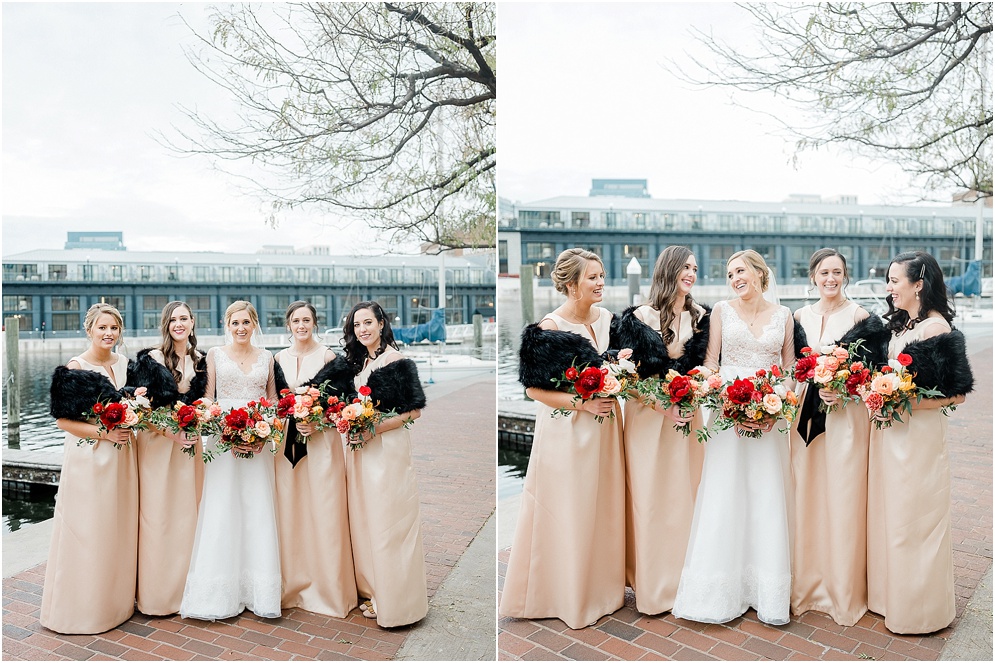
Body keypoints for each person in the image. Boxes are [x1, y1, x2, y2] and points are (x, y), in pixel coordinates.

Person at [500, 248, 625, 629]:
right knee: (570, 508)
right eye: (592, 277)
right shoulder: (549, 328)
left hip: (606, 429)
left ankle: (603, 589)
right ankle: (566, 594)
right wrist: (582, 404)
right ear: (571, 284)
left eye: (602, 275)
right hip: (567, 431)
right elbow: (533, 391)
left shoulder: (608, 320)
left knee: (602, 505)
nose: (600, 282)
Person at [672, 249, 795, 626]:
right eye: (729, 274)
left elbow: (789, 368)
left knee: (766, 491)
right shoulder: (721, 312)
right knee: (725, 491)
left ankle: (766, 592)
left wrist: (776, 407)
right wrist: (722, 397)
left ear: (759, 272)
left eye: (740, 270)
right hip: (727, 412)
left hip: (770, 415)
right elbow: (711, 362)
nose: (734, 278)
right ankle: (719, 589)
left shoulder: (784, 315)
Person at [866, 251, 973, 634]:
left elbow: (957, 394)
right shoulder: (900, 326)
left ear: (918, 285)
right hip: (890, 437)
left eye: (895, 281)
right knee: (893, 518)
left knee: (917, 521)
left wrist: (903, 399)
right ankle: (889, 597)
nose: (889, 288)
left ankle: (920, 610)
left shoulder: (936, 328)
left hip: (919, 441)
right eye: (889, 281)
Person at [789, 249, 888, 626]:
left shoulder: (863, 317)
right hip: (804, 415)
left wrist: (844, 388)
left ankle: (842, 589)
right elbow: (792, 367)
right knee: (807, 494)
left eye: (837, 272)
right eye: (824, 272)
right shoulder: (798, 317)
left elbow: (873, 371)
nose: (830, 278)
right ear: (813, 275)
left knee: (843, 495)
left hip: (845, 419)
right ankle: (808, 585)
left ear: (845, 276)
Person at [610, 245, 709, 615]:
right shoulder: (635, 319)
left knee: (687, 495)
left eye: (695, 268)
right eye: (685, 266)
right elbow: (625, 379)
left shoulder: (704, 318)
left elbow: (711, 368)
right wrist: (660, 405)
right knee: (650, 499)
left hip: (688, 417)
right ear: (668, 269)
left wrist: (694, 393)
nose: (691, 273)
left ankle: (686, 581)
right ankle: (652, 585)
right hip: (647, 420)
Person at [180, 300, 282, 621]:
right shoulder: (214, 354)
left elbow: (273, 400)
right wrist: (222, 426)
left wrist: (260, 434)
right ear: (227, 325)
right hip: (222, 441)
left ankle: (259, 591)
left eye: (246, 323)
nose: (240, 328)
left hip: (258, 443)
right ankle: (218, 592)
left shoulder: (267, 357)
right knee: (222, 507)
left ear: (254, 325)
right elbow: (207, 397)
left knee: (256, 507)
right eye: (235, 323)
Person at [42, 303, 138, 634]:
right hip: (90, 457)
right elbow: (62, 421)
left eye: (114, 328)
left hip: (125, 457)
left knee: (117, 526)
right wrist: (104, 432)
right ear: (89, 330)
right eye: (102, 328)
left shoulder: (127, 364)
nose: (109, 333)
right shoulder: (76, 367)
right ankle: (85, 608)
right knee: (89, 529)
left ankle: (117, 602)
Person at [342, 301, 428, 628]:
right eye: (356, 325)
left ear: (381, 324)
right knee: (370, 522)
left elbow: (413, 412)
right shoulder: (359, 363)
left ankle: (398, 602)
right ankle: (377, 591)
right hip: (361, 451)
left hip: (387, 451)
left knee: (390, 523)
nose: (362, 329)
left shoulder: (397, 360)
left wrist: (372, 429)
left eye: (368, 323)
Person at [274, 301, 357, 617]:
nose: (301, 325)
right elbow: (273, 401)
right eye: (296, 320)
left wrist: (319, 421)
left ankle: (327, 587)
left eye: (306, 319)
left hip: (322, 445)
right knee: (290, 510)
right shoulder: (278, 359)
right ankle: (292, 584)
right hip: (286, 445)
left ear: (315, 323)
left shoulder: (330, 358)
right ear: (288, 325)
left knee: (323, 508)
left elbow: (344, 403)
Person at [132, 301, 208, 616]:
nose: (179, 324)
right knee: (157, 517)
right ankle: (156, 594)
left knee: (188, 516)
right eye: (173, 319)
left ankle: (186, 592)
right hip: (157, 444)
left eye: (184, 319)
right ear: (166, 324)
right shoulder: (151, 359)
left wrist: (198, 423)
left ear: (192, 323)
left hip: (189, 445)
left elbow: (207, 403)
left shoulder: (203, 361)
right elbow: (138, 411)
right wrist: (169, 433)